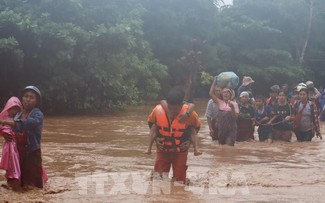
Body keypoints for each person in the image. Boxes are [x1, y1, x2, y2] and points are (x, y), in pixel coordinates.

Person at [147, 88, 201, 184]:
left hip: (181, 151)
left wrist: (189, 142)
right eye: (170, 108)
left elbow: (196, 128)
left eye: (175, 109)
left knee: (179, 182)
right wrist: (156, 140)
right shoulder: (158, 111)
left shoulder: (190, 114)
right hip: (163, 149)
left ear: (181, 105)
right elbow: (151, 125)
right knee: (159, 180)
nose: (172, 111)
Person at [1, 86, 47, 188]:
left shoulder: (38, 114)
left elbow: (27, 124)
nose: (28, 99)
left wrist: (4, 121)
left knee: (33, 185)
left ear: (37, 101)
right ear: (22, 98)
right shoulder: (18, 114)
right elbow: (12, 131)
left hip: (32, 152)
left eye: (32, 97)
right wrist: (5, 135)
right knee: (20, 183)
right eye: (26, 96)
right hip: (19, 152)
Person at [0, 97, 23, 190]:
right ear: (8, 108)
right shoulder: (3, 118)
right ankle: (12, 179)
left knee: (16, 163)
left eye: (16, 109)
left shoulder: (18, 121)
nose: (13, 111)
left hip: (16, 145)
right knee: (11, 163)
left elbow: (22, 131)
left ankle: (15, 178)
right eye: (12, 109)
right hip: (8, 145)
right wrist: (3, 134)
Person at [210, 78, 239, 146]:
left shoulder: (235, 104)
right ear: (222, 95)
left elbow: (235, 118)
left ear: (231, 94)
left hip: (231, 130)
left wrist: (232, 108)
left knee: (228, 148)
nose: (226, 94)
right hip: (221, 129)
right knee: (221, 148)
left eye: (228, 92)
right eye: (224, 92)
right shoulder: (219, 102)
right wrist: (214, 81)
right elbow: (211, 93)